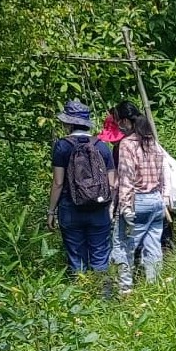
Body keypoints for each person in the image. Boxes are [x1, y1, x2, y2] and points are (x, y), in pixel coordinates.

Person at [46, 100, 115, 277]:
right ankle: (105, 299)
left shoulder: (62, 146)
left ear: (69, 123)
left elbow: (58, 183)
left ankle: (81, 300)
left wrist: (51, 212)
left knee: (77, 259)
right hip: (99, 209)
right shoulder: (101, 146)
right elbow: (112, 183)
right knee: (100, 258)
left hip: (70, 208)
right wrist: (111, 208)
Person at [113, 108, 170, 294]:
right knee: (153, 246)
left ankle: (125, 288)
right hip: (156, 200)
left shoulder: (127, 144)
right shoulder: (152, 141)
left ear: (126, 121)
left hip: (137, 200)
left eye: (119, 121)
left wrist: (125, 206)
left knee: (124, 245)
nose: (119, 126)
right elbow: (164, 173)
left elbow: (126, 177)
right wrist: (164, 197)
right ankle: (154, 287)